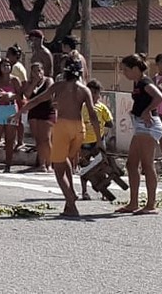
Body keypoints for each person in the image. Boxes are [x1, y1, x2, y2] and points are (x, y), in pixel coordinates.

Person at [21, 58, 102, 217]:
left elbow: (38, 99)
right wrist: (99, 139)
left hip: (63, 126)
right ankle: (69, 203)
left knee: (58, 169)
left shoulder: (59, 86)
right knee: (66, 161)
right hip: (79, 129)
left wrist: (20, 111)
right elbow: (92, 115)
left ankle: (70, 199)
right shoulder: (84, 90)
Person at [117, 53, 162, 215]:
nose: (124, 73)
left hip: (149, 126)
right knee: (131, 164)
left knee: (147, 164)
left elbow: (159, 97)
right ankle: (133, 202)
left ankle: (151, 204)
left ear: (136, 69)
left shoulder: (145, 82)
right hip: (140, 126)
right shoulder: (137, 83)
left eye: (126, 70)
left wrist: (146, 111)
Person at [79, 79, 113, 200]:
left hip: (98, 141)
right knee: (84, 166)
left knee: (102, 166)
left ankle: (104, 191)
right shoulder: (82, 107)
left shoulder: (102, 108)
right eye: (91, 93)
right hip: (84, 141)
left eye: (96, 93)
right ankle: (84, 191)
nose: (93, 96)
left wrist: (102, 123)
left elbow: (110, 123)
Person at [0, 57, 21, 173]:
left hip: (11, 108)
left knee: (10, 139)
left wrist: (11, 96)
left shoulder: (15, 80)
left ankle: (8, 165)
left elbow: (21, 96)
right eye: (4, 66)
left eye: (8, 65)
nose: (6, 68)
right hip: (0, 108)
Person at [24, 62, 55, 172]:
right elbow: (27, 94)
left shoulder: (48, 81)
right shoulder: (29, 83)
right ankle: (41, 164)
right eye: (34, 71)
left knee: (46, 139)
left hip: (47, 111)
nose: (38, 73)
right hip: (34, 112)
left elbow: (48, 95)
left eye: (39, 70)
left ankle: (49, 163)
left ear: (43, 71)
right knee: (38, 139)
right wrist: (34, 82)